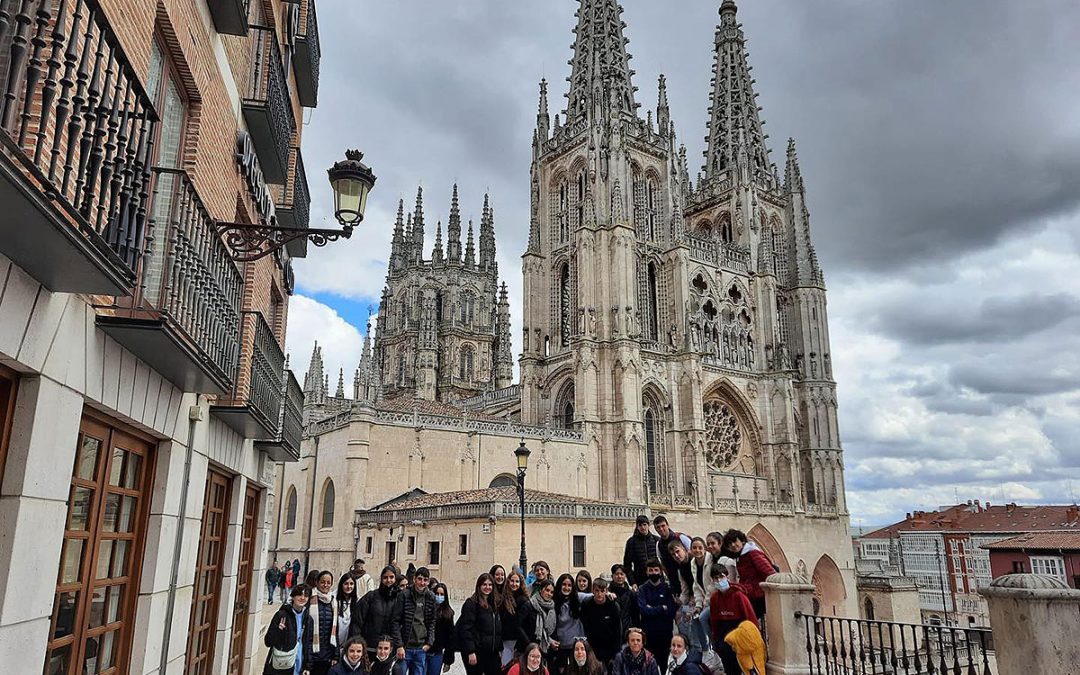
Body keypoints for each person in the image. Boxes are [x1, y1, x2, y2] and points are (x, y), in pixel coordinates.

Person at [708, 563, 758, 675]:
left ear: (727, 577)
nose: (719, 580)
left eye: (721, 577)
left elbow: (749, 616)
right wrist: (715, 638)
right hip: (724, 636)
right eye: (716, 578)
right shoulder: (714, 598)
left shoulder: (738, 595)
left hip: (739, 633)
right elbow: (714, 620)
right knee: (729, 667)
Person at [721, 529, 776, 620]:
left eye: (735, 541)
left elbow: (769, 573)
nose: (733, 545)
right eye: (730, 544)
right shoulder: (742, 557)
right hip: (751, 595)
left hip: (759, 597)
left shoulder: (753, 554)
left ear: (742, 540)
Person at [353, 566, 404, 661]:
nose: (388, 580)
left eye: (391, 577)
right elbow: (357, 621)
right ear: (381, 579)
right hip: (369, 648)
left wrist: (399, 645)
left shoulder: (400, 599)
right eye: (385, 577)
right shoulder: (371, 597)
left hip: (390, 650)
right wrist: (357, 643)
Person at [457, 573, 503, 675]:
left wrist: (499, 648)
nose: (487, 587)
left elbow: (497, 628)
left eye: (490, 585)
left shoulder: (494, 603)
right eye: (484, 584)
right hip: (477, 652)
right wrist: (470, 651)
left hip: (492, 653)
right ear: (479, 586)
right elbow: (465, 629)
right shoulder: (471, 603)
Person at [264, 584, 314, 675]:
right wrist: (278, 630)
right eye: (299, 595)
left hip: (299, 661)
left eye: (306, 595)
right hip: (282, 664)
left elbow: (308, 643)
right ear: (293, 597)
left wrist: (308, 665)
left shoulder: (308, 619)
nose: (302, 598)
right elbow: (268, 641)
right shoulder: (282, 615)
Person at [637, 559, 677, 673]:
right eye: (650, 570)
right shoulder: (642, 589)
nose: (653, 573)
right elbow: (643, 610)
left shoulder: (667, 588)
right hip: (648, 633)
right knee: (648, 664)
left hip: (665, 633)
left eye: (656, 570)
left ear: (660, 572)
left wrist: (652, 609)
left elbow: (671, 610)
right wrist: (661, 608)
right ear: (647, 572)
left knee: (664, 664)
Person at [401, 567, 436, 675]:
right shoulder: (404, 595)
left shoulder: (431, 597)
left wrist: (429, 643)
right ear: (414, 579)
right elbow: (396, 620)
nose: (422, 583)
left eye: (425, 580)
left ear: (428, 581)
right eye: (420, 579)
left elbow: (432, 622)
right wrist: (399, 645)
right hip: (405, 647)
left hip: (421, 648)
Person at [580, 578, 622, 666]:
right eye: (597, 591)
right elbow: (584, 626)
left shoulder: (613, 606)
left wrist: (615, 654)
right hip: (593, 647)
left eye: (602, 591)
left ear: (606, 591)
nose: (599, 594)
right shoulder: (587, 604)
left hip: (610, 648)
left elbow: (618, 630)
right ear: (592, 591)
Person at [551, 574, 585, 675]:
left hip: (576, 645)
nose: (566, 588)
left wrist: (609, 593)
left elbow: (593, 595)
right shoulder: (553, 602)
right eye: (564, 584)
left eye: (569, 585)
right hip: (560, 646)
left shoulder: (578, 598)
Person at [653, 516, 692, 600]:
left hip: (689, 575)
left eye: (663, 526)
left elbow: (692, 553)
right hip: (675, 580)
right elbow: (662, 564)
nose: (661, 529)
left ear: (668, 525)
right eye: (658, 527)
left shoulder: (681, 537)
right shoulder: (658, 545)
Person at [309, 571, 340, 675]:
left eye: (328, 582)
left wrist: (336, 655)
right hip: (311, 653)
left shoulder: (334, 602)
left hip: (327, 654)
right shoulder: (309, 599)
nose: (325, 585)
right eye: (323, 582)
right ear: (317, 582)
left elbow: (336, 631)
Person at [518, 578, 557, 660]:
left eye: (552, 592)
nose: (549, 594)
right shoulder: (529, 604)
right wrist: (529, 644)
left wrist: (551, 641)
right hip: (528, 648)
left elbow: (549, 630)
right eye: (547, 590)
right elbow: (519, 626)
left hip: (546, 650)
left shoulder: (552, 608)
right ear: (541, 590)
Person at [498, 571, 526, 666]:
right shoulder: (503, 599)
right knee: (505, 667)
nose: (514, 584)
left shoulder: (523, 600)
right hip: (505, 640)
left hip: (519, 641)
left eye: (517, 581)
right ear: (508, 582)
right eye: (512, 581)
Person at [624, 515, 660, 587]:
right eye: (640, 525)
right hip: (640, 580)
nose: (643, 527)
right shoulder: (631, 542)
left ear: (648, 525)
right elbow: (627, 564)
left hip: (657, 577)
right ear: (637, 527)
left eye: (644, 525)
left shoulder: (657, 540)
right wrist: (632, 582)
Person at [428, 582, 456, 675]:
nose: (439, 596)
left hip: (437, 652)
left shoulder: (447, 614)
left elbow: (451, 637)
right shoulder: (427, 609)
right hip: (423, 650)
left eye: (441, 594)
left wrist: (448, 660)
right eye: (437, 594)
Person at [609, 565, 639, 636]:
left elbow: (635, 615)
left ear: (625, 576)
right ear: (612, 576)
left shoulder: (631, 594)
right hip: (612, 633)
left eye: (621, 574)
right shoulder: (608, 594)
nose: (619, 576)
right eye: (616, 574)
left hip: (628, 632)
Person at [337, 575, 358, 645]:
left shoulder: (358, 601)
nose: (349, 586)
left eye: (351, 584)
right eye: (346, 584)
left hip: (349, 642)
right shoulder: (334, 600)